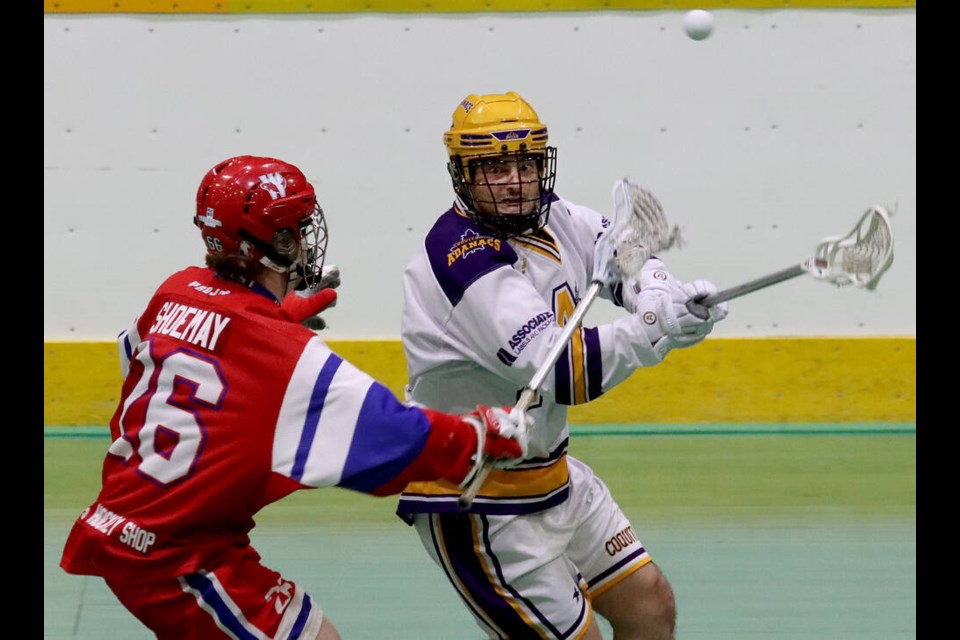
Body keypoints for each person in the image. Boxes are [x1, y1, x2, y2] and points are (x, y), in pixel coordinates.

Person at [59, 155, 531, 640]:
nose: (305, 241)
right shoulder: (288, 358)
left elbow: (140, 356)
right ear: (278, 242)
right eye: (297, 229)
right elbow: (390, 432)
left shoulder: (175, 292)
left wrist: (268, 318)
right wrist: (481, 433)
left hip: (128, 525)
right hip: (179, 556)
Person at [396, 92, 729, 639]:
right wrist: (655, 331)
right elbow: (562, 371)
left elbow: (626, 250)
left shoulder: (555, 215)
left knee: (651, 605)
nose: (515, 180)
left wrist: (660, 293)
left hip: (552, 473)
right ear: (463, 173)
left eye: (525, 163)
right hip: (477, 499)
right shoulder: (460, 255)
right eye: (495, 167)